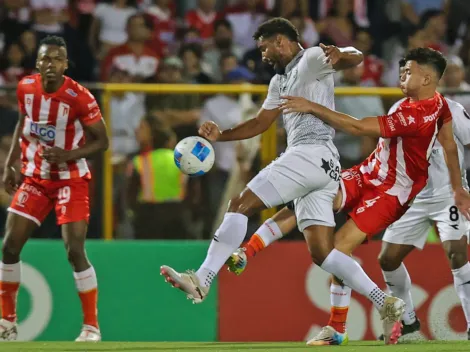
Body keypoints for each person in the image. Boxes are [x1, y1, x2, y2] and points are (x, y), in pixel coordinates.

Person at [161, 17, 403, 344]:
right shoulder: (280, 81)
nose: (261, 55)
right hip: (325, 166)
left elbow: (354, 56)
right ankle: (384, 300)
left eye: (263, 48)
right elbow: (261, 122)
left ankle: (203, 278)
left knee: (239, 204)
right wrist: (221, 136)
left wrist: (341, 53)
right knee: (322, 253)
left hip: (308, 153)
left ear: (281, 42)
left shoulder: (313, 58)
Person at [228, 47, 470, 344]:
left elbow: (357, 127)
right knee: (311, 191)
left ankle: (338, 328)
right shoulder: (435, 106)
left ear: (428, 78)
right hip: (367, 173)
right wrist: (460, 188)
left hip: (391, 192)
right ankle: (248, 250)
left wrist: (312, 106)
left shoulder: (415, 114)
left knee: (338, 247)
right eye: (402, 69)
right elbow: (447, 144)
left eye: (409, 71)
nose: (402, 74)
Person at [0, 35, 109, 342]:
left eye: (57, 59)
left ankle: (91, 327)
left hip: (71, 179)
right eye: (46, 59)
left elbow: (102, 142)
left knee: (74, 250)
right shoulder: (25, 87)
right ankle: (6, 322)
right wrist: (11, 163)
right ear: (37, 62)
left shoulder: (80, 97)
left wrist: (67, 155)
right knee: (9, 246)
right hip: (35, 178)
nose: (51, 64)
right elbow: (23, 122)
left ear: (65, 64)